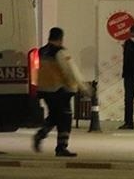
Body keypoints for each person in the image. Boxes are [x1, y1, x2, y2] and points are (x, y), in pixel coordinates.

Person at [33, 27, 91, 157]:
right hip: (60, 89)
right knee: (65, 118)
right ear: (61, 38)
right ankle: (61, 147)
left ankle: (41, 134)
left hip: (45, 90)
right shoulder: (60, 52)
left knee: (54, 116)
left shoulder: (41, 52)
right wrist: (83, 87)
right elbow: (70, 71)